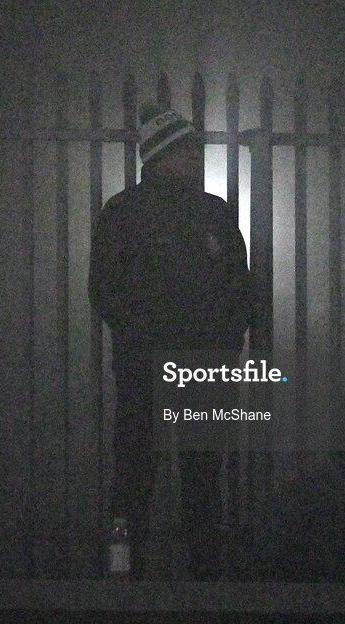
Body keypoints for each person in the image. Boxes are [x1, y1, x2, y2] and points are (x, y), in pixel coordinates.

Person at [89, 104, 251, 579]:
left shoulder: (132, 212)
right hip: (178, 367)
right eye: (186, 150)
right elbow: (239, 290)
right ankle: (196, 574)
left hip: (156, 367)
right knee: (180, 474)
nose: (195, 159)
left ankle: (135, 573)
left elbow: (105, 291)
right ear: (160, 156)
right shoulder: (201, 213)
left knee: (151, 473)